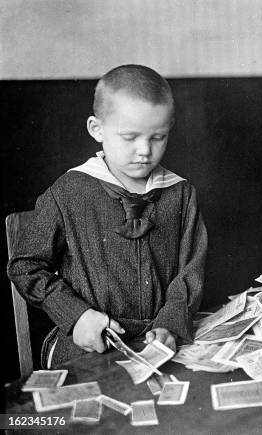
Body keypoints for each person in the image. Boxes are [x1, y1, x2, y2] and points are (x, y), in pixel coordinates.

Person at [7, 64, 207, 367]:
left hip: (159, 337)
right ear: (96, 129)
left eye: (158, 137)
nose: (144, 150)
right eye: (130, 137)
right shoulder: (69, 191)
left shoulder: (181, 193)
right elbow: (25, 267)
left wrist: (171, 321)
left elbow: (190, 268)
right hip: (88, 343)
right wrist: (76, 315)